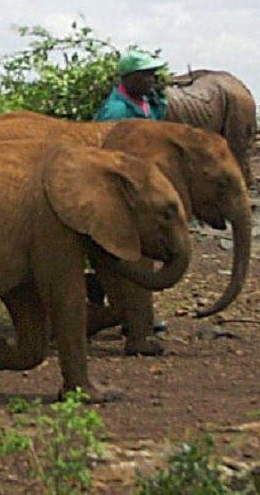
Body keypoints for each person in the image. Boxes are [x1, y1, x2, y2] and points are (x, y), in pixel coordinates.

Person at [89, 47, 169, 333]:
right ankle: (131, 314)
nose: (152, 80)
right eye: (146, 75)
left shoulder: (149, 103)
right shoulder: (116, 111)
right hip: (122, 188)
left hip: (143, 185)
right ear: (130, 77)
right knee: (129, 253)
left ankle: (120, 305)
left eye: (153, 74)